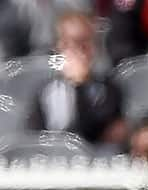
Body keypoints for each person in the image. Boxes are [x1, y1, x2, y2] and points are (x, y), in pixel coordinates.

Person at [28, 10, 128, 150]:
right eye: (73, 43)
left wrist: (79, 85)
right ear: (59, 47)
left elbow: (91, 134)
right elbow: (36, 138)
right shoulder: (45, 91)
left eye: (86, 43)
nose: (80, 51)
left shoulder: (109, 90)